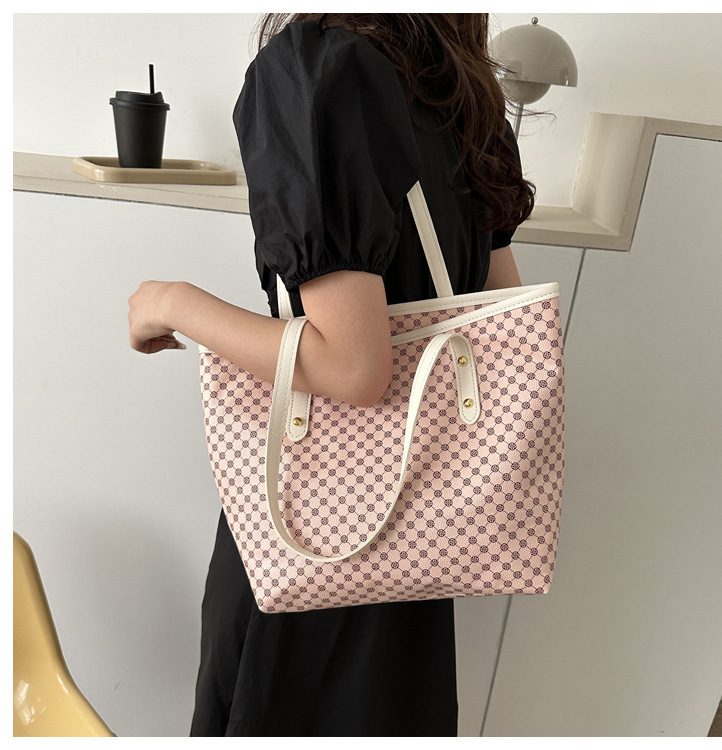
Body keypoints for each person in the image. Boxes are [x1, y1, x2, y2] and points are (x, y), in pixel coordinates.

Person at [127, 13, 534, 737]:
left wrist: (172, 302)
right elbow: (500, 316)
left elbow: (352, 368)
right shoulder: (463, 91)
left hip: (312, 531)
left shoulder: (318, 70)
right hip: (426, 528)